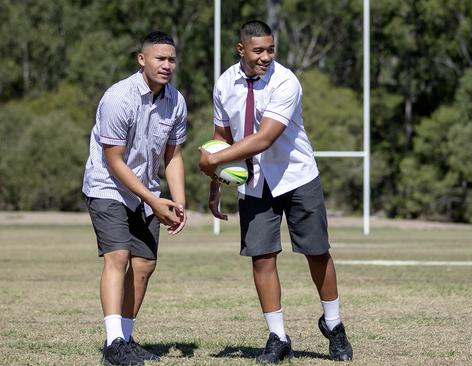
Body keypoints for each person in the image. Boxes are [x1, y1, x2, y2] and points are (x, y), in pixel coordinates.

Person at [198, 20, 353, 364]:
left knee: (316, 252)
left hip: (296, 176)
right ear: (241, 50)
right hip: (254, 183)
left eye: (271, 49)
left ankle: (334, 325)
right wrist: (215, 184)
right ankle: (277, 336)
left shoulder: (285, 81)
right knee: (262, 257)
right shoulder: (225, 83)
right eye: (258, 50)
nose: (266, 56)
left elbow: (264, 138)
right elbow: (220, 137)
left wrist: (212, 160)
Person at [82, 31, 188, 366]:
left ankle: (125, 341)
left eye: (171, 59)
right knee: (118, 256)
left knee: (144, 265)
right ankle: (113, 344)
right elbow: (114, 160)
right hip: (108, 186)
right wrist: (154, 202)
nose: (166, 65)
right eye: (160, 58)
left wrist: (177, 201)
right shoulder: (119, 98)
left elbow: (173, 156)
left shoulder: (176, 101)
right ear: (142, 59)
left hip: (146, 191)